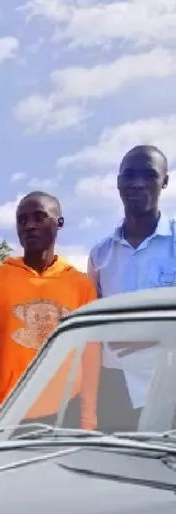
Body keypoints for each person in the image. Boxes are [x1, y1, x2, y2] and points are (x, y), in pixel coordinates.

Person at [0, 191, 99, 428]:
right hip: (8, 413)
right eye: (22, 220)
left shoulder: (81, 285)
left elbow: (90, 357)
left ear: (59, 222)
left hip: (65, 413)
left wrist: (88, 417)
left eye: (39, 217)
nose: (30, 226)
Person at [88, 145, 174, 430]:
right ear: (118, 183)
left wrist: (153, 337)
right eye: (129, 175)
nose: (137, 182)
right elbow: (94, 327)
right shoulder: (100, 255)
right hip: (115, 389)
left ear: (164, 180)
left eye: (149, 174)